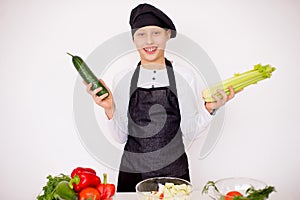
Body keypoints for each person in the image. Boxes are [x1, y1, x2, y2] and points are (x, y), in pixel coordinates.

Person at [85, 3, 236, 192]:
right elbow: (121, 136)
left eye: (156, 33)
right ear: (134, 40)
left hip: (174, 175)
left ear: (167, 35)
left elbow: (190, 132)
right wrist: (109, 108)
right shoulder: (122, 79)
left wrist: (209, 109)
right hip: (132, 176)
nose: (149, 41)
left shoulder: (185, 76)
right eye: (141, 34)